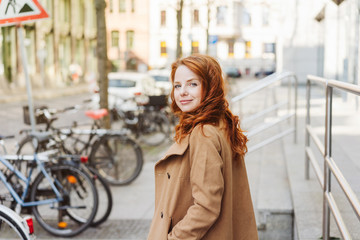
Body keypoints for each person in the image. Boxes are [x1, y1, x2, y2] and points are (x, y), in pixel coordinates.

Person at [147, 54, 258, 240]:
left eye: (192, 84)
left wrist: (174, 238)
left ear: (210, 87)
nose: (182, 92)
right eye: (177, 85)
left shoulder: (203, 133)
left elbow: (206, 206)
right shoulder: (220, 123)